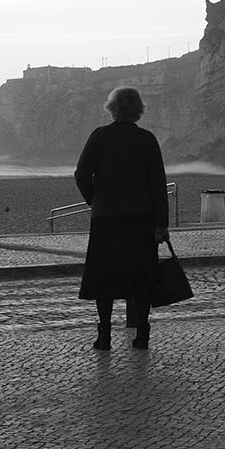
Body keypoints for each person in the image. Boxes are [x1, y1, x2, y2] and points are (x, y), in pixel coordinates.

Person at [74, 86, 170, 351]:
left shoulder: (99, 136)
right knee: (141, 276)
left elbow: (81, 174)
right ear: (138, 110)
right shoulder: (147, 139)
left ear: (112, 108)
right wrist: (161, 224)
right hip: (141, 218)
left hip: (106, 217)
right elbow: (158, 184)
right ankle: (142, 333)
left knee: (103, 276)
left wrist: (94, 199)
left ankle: (104, 335)